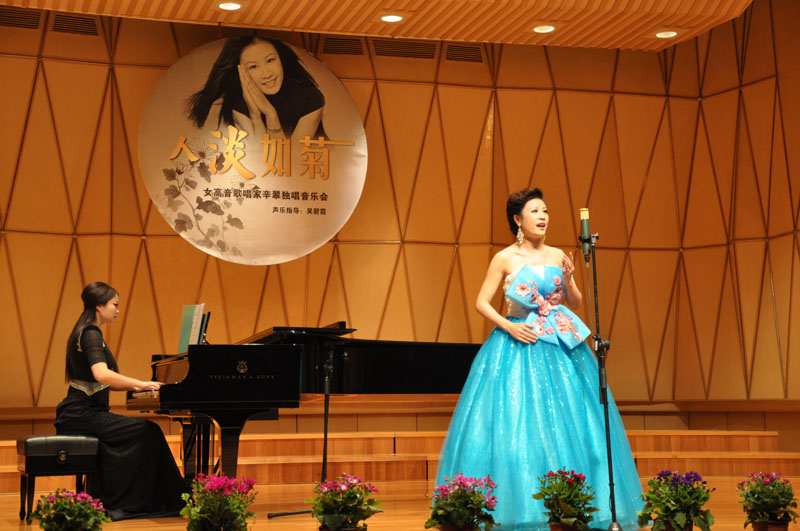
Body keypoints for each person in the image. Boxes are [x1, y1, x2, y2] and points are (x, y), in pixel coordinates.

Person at [435, 188, 642, 531]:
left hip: (560, 346)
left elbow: (575, 302)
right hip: (518, 343)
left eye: (545, 211)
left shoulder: (557, 254)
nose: (542, 217)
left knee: (575, 423)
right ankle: (517, 508)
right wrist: (509, 327)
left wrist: (570, 278)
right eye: (534, 211)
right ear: (518, 220)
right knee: (517, 424)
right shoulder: (504, 258)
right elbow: (482, 303)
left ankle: (572, 504)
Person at [54, 282, 185, 521]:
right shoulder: (91, 333)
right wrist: (140, 384)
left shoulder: (82, 331)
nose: (117, 310)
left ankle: (122, 500)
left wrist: (138, 386)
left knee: (143, 432)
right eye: (114, 304)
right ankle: (132, 503)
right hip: (83, 414)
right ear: (99, 305)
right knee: (149, 431)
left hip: (77, 413)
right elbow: (101, 374)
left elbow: (104, 381)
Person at [186, 35, 326, 144]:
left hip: (322, 169)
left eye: (270, 60)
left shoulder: (310, 98)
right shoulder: (239, 104)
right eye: (253, 67)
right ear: (241, 72)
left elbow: (289, 162)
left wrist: (270, 115)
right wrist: (256, 117)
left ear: (281, 58)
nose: (266, 74)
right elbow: (261, 160)